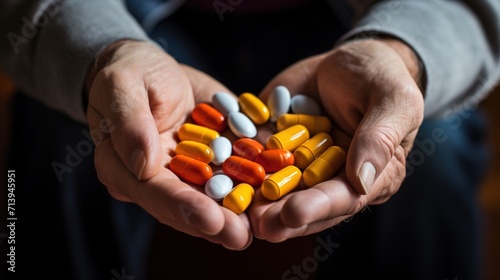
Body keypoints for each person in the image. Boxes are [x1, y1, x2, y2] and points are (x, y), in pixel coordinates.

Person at [1, 0, 499, 279]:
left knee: (433, 149)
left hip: (354, 26)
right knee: (75, 131)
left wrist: (401, 51)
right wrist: (100, 52)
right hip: (134, 22)